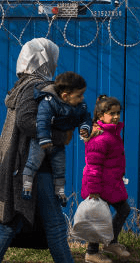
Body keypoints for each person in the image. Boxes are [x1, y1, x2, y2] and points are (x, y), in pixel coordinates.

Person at [0, 37, 110, 263]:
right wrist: (61, 137)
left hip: (28, 166)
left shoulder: (23, 85)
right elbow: (26, 122)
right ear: (44, 61)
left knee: (16, 222)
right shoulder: (37, 86)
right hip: (35, 168)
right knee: (52, 225)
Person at [21, 71, 92, 205]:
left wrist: (84, 128)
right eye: (79, 95)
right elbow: (42, 120)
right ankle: (26, 186)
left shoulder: (79, 106)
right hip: (41, 140)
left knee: (60, 167)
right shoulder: (48, 102)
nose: (82, 98)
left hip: (59, 144)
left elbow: (86, 118)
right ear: (65, 96)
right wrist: (44, 138)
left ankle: (60, 192)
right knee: (33, 162)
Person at [80, 95, 131, 263]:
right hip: (100, 186)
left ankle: (111, 243)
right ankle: (91, 253)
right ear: (101, 115)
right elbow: (93, 165)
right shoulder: (100, 137)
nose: (116, 117)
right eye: (111, 113)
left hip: (111, 184)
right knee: (98, 217)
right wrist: (93, 190)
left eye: (118, 113)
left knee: (123, 209)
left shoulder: (112, 133)